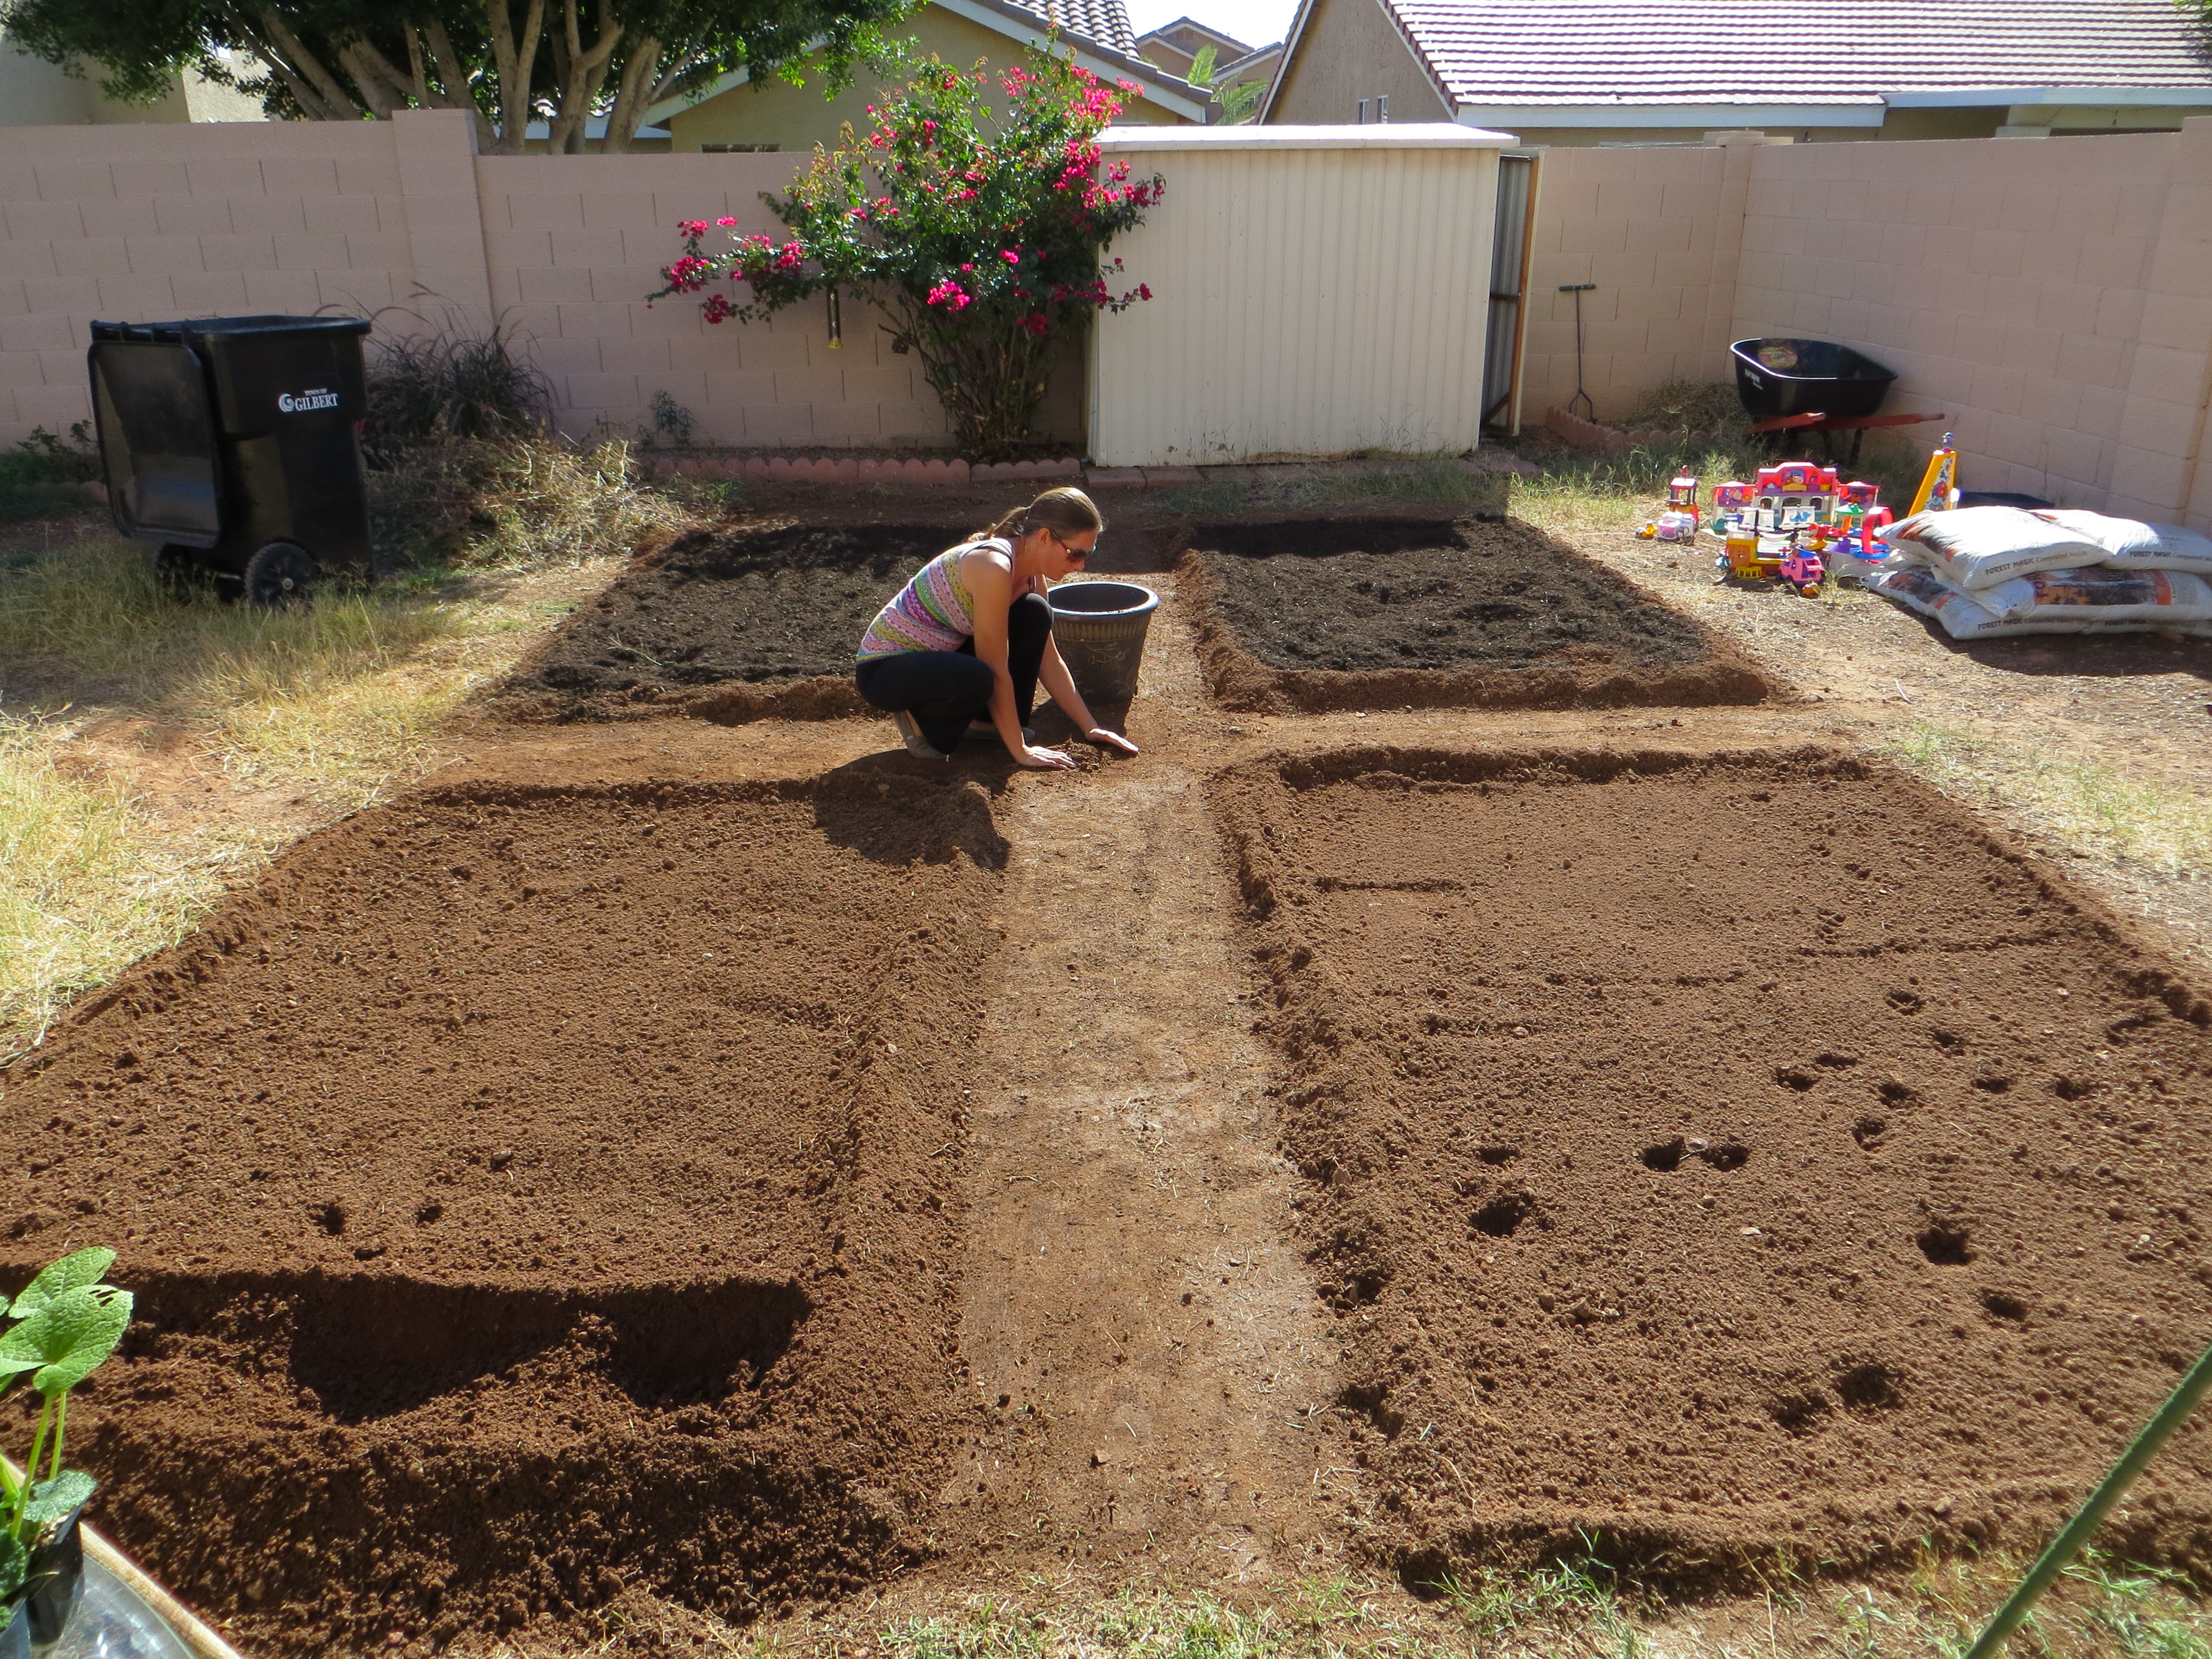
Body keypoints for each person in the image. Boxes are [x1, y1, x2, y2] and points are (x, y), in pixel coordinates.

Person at [854, 488, 1141, 770]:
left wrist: (1090, 727)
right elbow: (995, 666)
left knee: (1036, 613)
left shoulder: (1032, 578)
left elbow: (1049, 660)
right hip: (886, 671)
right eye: (1075, 554)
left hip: (942, 658)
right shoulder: (993, 567)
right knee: (978, 681)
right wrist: (1022, 751)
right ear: (1044, 537)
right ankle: (918, 720)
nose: (1080, 566)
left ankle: (979, 724)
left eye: (1089, 553)